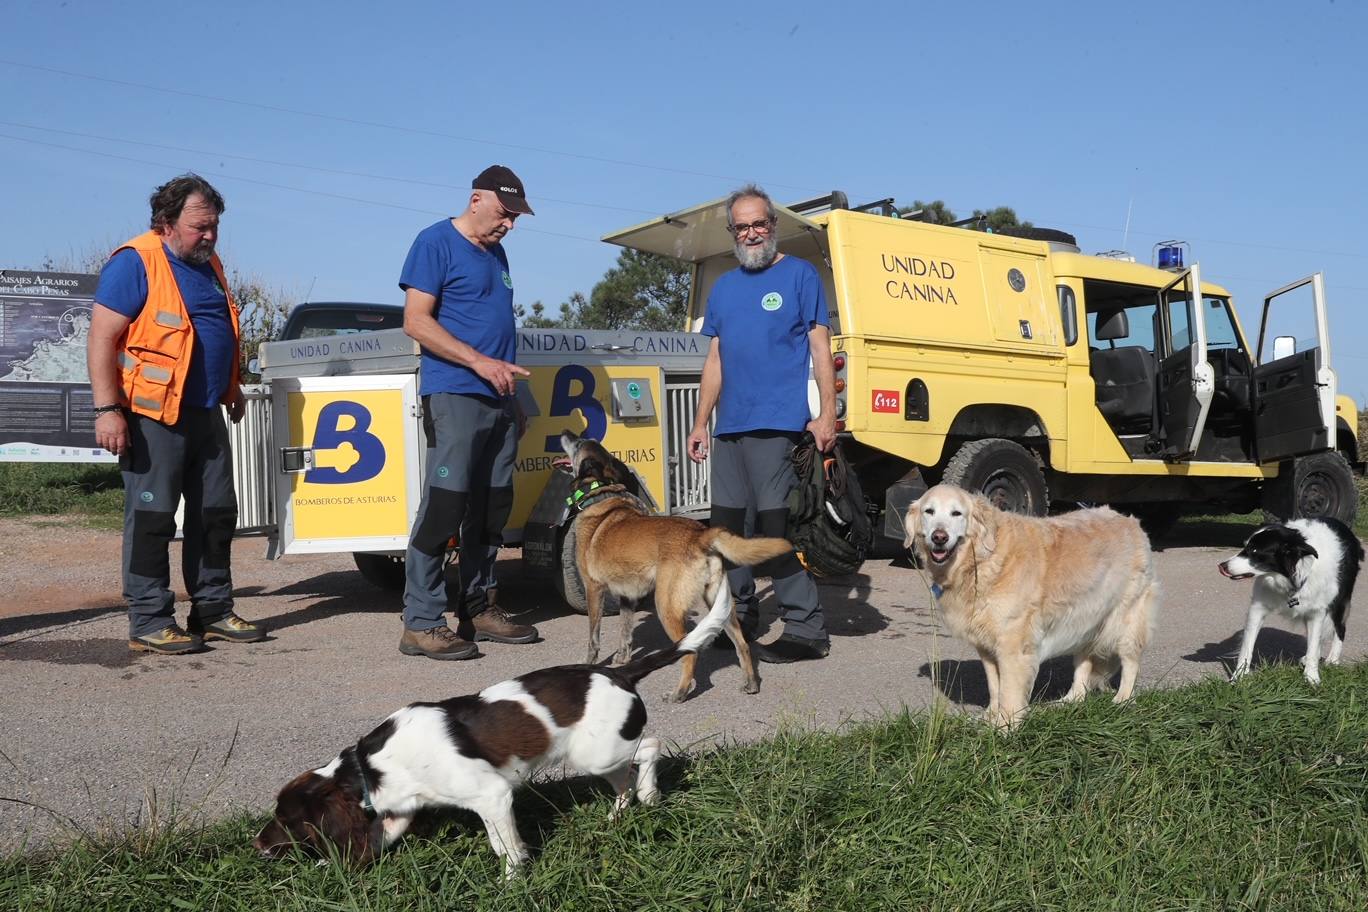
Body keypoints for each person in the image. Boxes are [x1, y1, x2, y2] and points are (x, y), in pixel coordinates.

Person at [88, 173, 264, 655]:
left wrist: (231, 388)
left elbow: (208, 330)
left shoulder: (209, 263)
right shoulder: (135, 261)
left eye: (214, 227)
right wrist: (108, 410)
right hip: (151, 417)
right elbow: (102, 338)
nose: (208, 235)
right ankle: (148, 619)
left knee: (215, 514)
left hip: (205, 412)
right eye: (199, 226)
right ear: (166, 222)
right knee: (152, 517)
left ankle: (212, 611)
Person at [686, 184, 837, 663]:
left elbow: (820, 350)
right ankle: (740, 616)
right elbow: (716, 360)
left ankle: (806, 630)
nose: (752, 233)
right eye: (742, 226)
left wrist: (827, 415)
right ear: (733, 231)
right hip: (730, 427)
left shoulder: (799, 275)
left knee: (774, 532)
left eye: (759, 224)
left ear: (773, 226)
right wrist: (699, 423)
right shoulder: (725, 288)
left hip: (779, 425)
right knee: (727, 532)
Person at [396, 165, 540, 660]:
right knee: (444, 508)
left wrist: (515, 398)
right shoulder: (434, 242)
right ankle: (421, 621)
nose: (511, 225)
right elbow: (415, 321)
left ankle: (479, 606)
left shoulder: (497, 253)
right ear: (477, 199)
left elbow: (497, 330)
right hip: (455, 393)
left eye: (517, 217)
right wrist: (480, 363)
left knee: (492, 507)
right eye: (505, 214)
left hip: (499, 401)